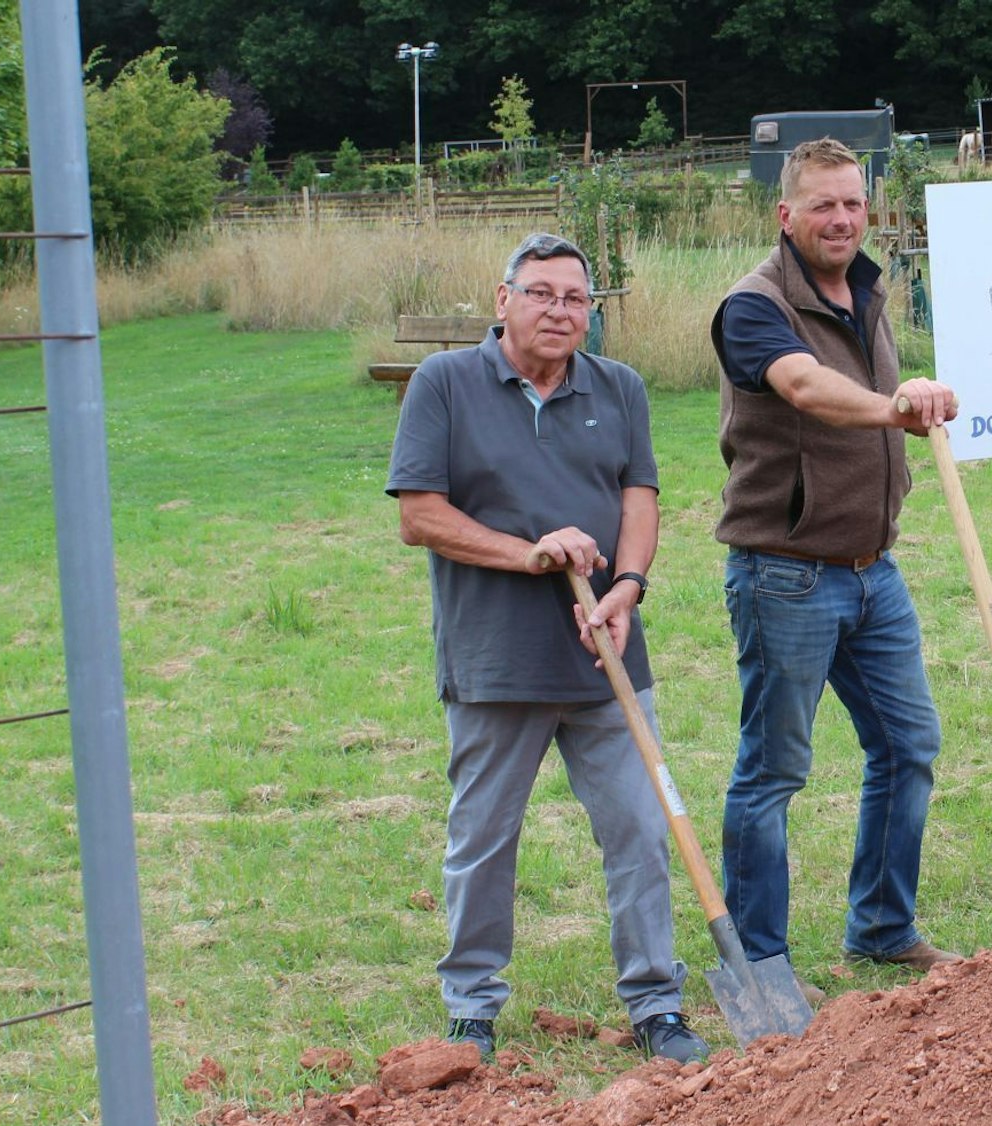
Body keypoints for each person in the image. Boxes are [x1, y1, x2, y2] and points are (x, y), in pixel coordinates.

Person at [386, 231, 707, 1065]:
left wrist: (628, 587)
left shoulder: (621, 388)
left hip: (606, 661)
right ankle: (472, 1008)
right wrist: (526, 552)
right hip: (496, 664)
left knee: (640, 829)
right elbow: (419, 514)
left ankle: (656, 1004)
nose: (559, 310)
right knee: (484, 839)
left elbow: (640, 498)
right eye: (541, 293)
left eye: (575, 298)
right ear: (503, 300)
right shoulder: (445, 384)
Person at [710, 138, 963, 993]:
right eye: (823, 204)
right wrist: (898, 409)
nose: (842, 219)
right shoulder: (752, 306)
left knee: (908, 743)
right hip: (786, 574)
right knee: (775, 768)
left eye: (853, 203)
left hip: (872, 571)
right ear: (786, 215)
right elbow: (807, 389)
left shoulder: (868, 290)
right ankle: (759, 963)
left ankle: (883, 928)